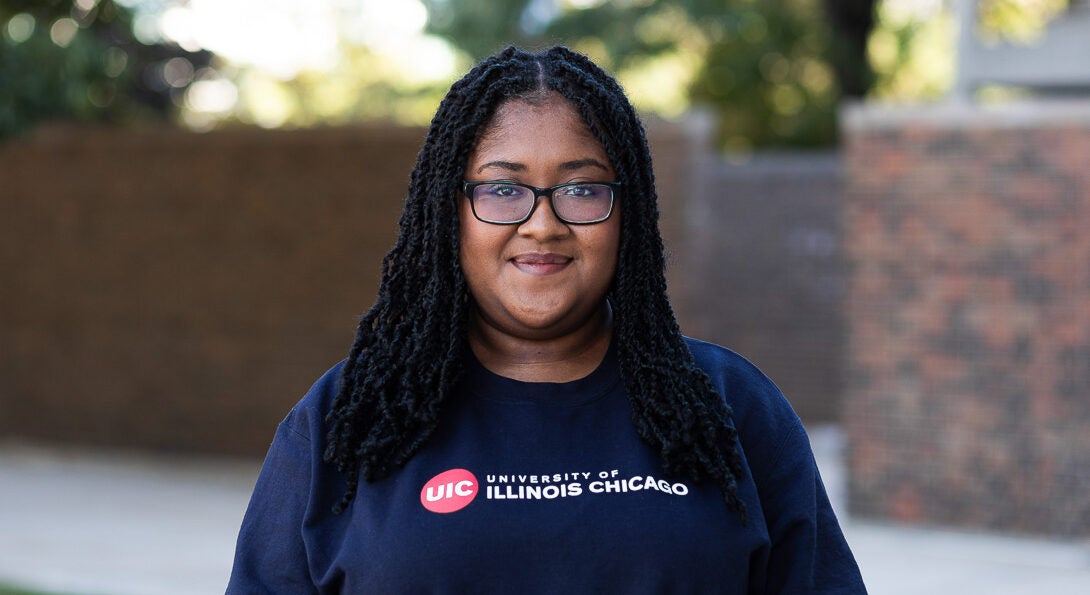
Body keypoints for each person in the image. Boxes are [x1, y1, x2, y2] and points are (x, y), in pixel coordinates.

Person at [227, 45, 866, 593]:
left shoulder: (731, 406)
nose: (543, 223)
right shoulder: (346, 420)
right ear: (448, 213)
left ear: (628, 213)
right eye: (502, 189)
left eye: (582, 188)